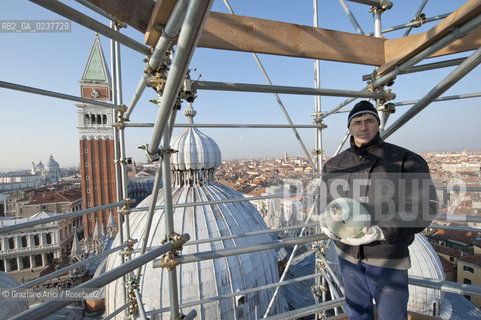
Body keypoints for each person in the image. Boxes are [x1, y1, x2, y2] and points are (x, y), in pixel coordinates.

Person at [319, 100, 438, 320]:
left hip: (387, 254)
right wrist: (325, 219)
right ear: (349, 128)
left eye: (369, 121)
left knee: (391, 315)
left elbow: (425, 207)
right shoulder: (333, 164)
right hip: (347, 255)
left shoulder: (407, 161)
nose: (363, 127)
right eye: (357, 122)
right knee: (357, 313)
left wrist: (383, 231)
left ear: (377, 125)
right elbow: (326, 202)